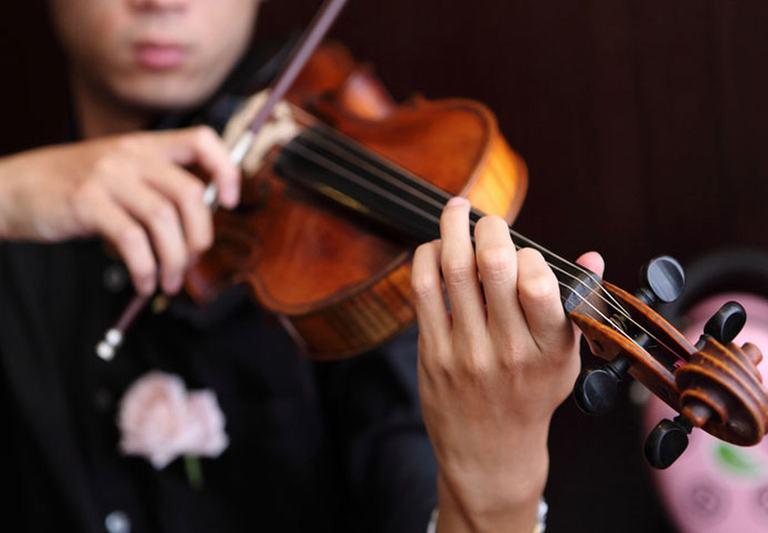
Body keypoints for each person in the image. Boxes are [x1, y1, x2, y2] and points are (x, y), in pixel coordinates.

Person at [0, 1, 602, 532]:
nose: (162, 1)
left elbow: (409, 489)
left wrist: (496, 497)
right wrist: (13, 194)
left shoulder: (354, 250)